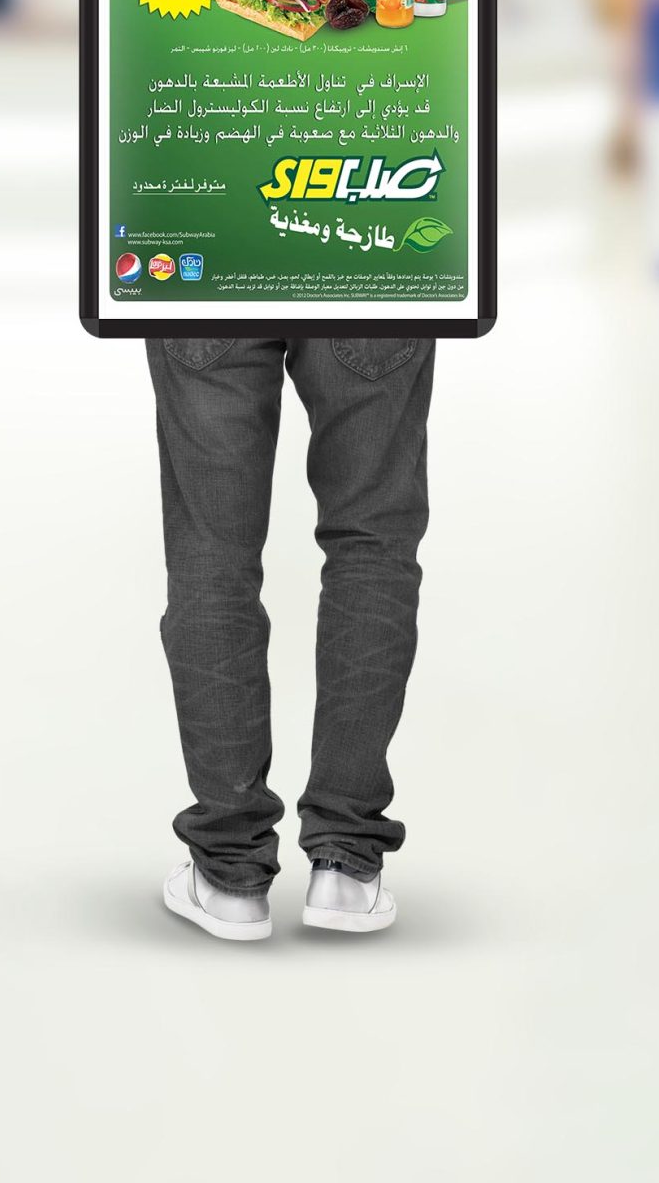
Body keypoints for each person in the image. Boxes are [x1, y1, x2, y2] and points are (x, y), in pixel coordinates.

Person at [147, 336, 435, 942]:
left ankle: (229, 874)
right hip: (368, 257)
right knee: (371, 542)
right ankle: (346, 865)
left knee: (212, 555)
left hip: (211, 257)